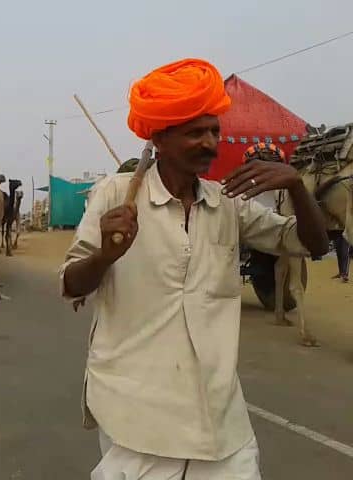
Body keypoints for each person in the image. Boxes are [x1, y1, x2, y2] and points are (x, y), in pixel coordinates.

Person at [59, 58, 329, 480]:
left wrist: (295, 183)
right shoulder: (115, 195)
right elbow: (72, 282)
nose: (210, 142)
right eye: (195, 132)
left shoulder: (226, 202)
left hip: (218, 411)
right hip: (135, 408)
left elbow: (312, 244)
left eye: (214, 131)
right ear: (160, 139)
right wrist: (106, 256)